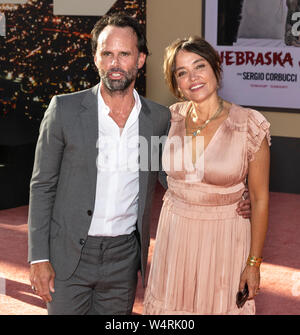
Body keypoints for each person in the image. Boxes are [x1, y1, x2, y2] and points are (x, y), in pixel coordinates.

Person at [28, 14, 251, 315]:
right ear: (96, 58)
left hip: (124, 260)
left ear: (141, 59)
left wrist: (231, 194)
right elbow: (42, 187)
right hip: (69, 256)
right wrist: (38, 257)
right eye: (107, 53)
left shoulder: (158, 118)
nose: (115, 63)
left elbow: (172, 173)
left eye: (124, 54)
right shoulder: (64, 109)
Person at [143, 36, 270, 315]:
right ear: (176, 83)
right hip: (175, 238)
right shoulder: (169, 119)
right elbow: (162, 173)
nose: (193, 77)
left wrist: (254, 263)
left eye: (199, 66)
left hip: (224, 240)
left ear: (216, 68)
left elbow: (260, 199)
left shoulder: (249, 124)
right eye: (182, 72)